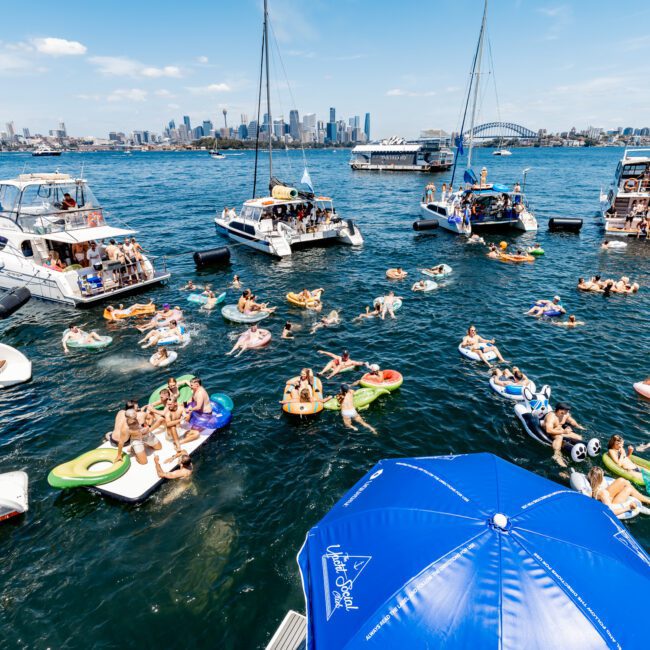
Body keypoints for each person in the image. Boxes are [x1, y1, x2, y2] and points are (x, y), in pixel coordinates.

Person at [544, 402, 585, 467]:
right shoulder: (551, 417)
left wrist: (578, 426)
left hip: (560, 430)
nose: (568, 411)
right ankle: (556, 455)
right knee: (559, 437)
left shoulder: (565, 415)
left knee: (579, 437)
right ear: (560, 410)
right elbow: (548, 430)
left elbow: (571, 421)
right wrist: (563, 432)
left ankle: (574, 449)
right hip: (551, 433)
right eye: (566, 410)